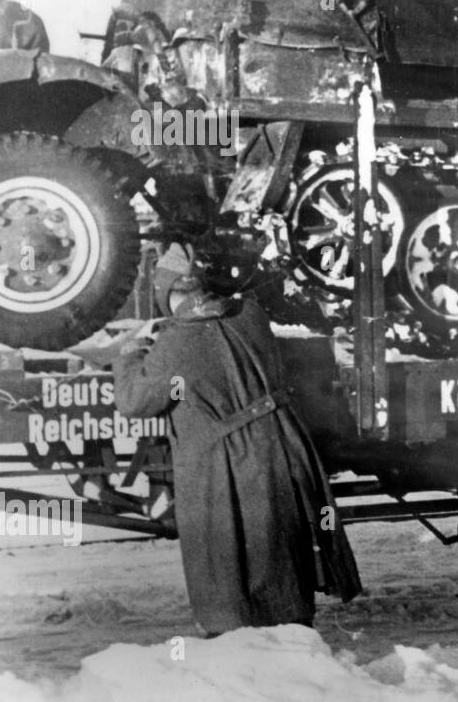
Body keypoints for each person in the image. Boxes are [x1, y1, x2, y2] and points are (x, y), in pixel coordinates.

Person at [108, 244, 362, 634]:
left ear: (168, 294)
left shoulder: (172, 347)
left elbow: (134, 402)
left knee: (228, 565)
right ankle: (297, 637)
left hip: (222, 464)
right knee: (281, 554)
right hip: (279, 450)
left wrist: (131, 352)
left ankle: (236, 652)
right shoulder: (251, 317)